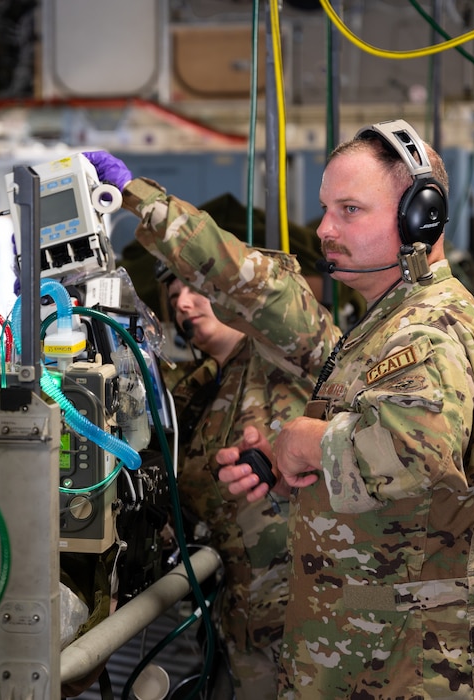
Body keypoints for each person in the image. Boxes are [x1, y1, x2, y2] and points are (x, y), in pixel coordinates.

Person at [85, 118, 474, 699]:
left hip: (414, 663)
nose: (324, 230)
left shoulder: (427, 329)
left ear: (421, 217)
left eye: (350, 210)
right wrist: (291, 473)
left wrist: (303, 443)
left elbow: (415, 454)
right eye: (325, 209)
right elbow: (406, 491)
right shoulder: (389, 323)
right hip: (372, 645)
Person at [158, 260, 312, 699]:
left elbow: (279, 287)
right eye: (174, 300)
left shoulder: (278, 356)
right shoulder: (198, 386)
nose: (184, 304)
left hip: (298, 610)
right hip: (241, 612)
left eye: (195, 289)